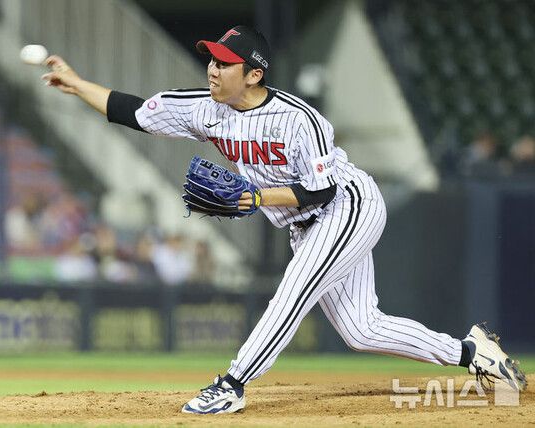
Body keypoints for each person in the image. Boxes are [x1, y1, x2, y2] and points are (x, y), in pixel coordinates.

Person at [42, 25, 527, 414]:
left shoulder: (300, 120)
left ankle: (232, 384)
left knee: (293, 290)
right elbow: (133, 112)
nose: (212, 69)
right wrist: (76, 83)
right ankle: (472, 352)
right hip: (304, 223)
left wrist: (253, 197)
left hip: (347, 206)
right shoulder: (205, 108)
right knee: (362, 330)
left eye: (224, 63)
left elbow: (322, 189)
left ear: (253, 74)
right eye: (212, 60)